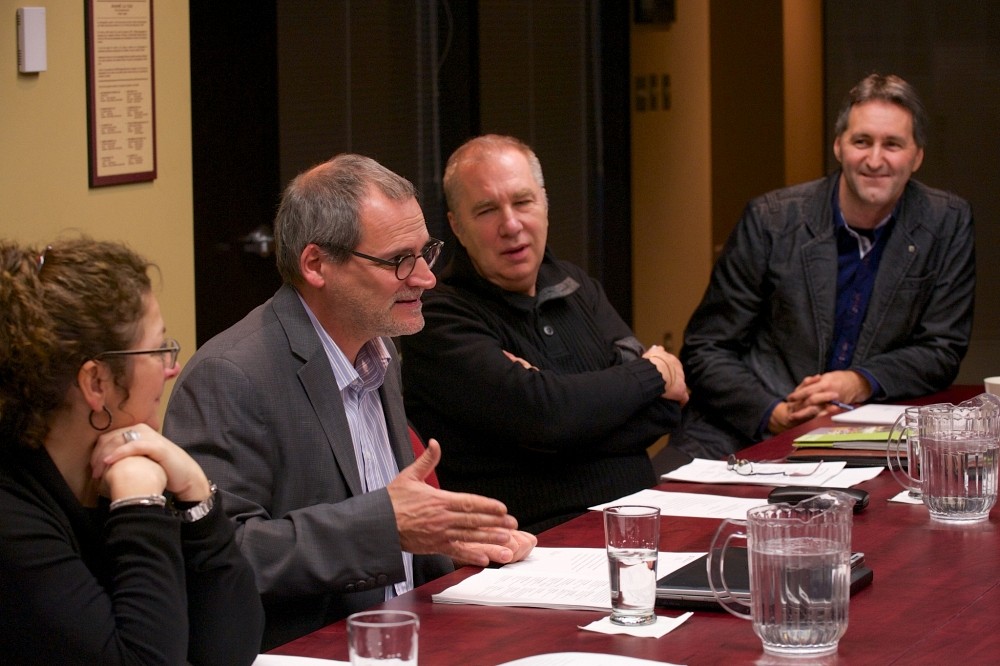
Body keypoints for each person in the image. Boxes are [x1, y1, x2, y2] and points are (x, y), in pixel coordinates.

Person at [162, 154, 536, 650]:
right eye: (400, 260)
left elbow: (400, 534)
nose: (425, 277)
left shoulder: (377, 349)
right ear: (316, 264)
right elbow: (223, 556)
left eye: (427, 253)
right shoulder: (231, 376)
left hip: (416, 629)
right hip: (317, 648)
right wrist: (388, 526)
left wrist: (450, 541)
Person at [672, 73, 976, 459]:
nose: (875, 159)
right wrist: (775, 414)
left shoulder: (946, 222)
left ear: (917, 156)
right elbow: (705, 348)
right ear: (838, 146)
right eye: (861, 141)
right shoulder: (771, 220)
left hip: (862, 435)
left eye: (893, 144)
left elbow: (942, 348)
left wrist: (859, 381)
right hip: (737, 430)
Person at [400, 134, 689, 534]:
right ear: (456, 226)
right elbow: (547, 418)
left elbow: (664, 411)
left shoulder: (577, 286)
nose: (511, 224)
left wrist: (558, 419)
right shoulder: (439, 316)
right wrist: (651, 374)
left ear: (545, 204)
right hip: (533, 546)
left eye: (522, 202)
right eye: (486, 210)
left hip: (639, 520)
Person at [0, 237, 263, 665]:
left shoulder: (121, 469)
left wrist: (197, 493)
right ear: (96, 383)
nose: (171, 367)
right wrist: (138, 504)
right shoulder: (13, 519)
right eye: (158, 349)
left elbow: (230, 649)